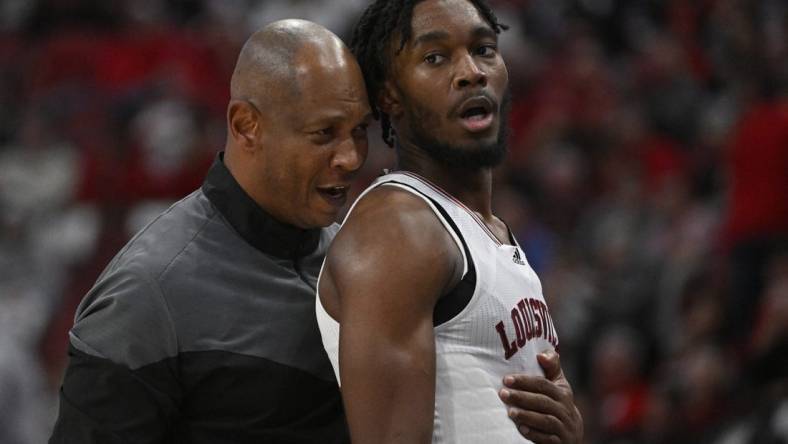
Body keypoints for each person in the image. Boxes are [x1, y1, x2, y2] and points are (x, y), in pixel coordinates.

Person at [49, 20, 371, 443]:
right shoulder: (149, 289)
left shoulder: (358, 262)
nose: (350, 157)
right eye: (324, 133)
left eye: (359, 131)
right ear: (245, 125)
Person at [315, 1, 583, 443]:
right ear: (389, 95)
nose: (471, 72)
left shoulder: (486, 231)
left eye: (484, 49)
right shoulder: (399, 228)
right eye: (435, 58)